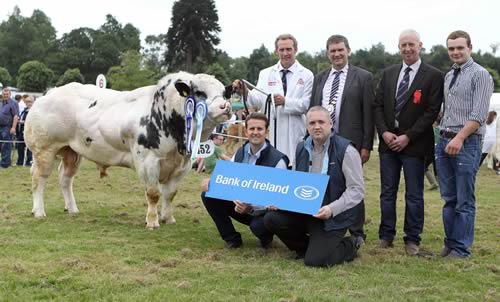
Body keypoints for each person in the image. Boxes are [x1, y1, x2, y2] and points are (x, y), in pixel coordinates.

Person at [264, 106, 364, 267]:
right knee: (270, 219)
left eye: (321, 122)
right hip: (307, 210)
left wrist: (332, 209)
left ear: (330, 124)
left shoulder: (347, 150)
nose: (316, 126)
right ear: (307, 126)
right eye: (312, 123)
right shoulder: (301, 147)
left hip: (333, 215)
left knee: (315, 261)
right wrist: (280, 201)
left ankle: (351, 244)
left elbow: (356, 190)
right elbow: (295, 183)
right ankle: (306, 248)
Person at [373, 29, 444, 255]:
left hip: (414, 145)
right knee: (387, 192)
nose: (407, 49)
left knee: (414, 195)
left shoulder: (433, 75)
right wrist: (384, 132)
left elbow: (432, 111)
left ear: (420, 45)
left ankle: (412, 239)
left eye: (411, 44)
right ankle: (386, 235)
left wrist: (408, 136)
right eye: (403, 45)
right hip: (388, 144)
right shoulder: (389, 73)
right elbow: (378, 106)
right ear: (398, 47)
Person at [309, 34, 375, 244]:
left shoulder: (363, 77)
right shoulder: (320, 78)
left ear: (348, 51)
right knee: (324, 182)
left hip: (350, 141)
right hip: (323, 141)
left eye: (340, 50)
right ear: (327, 53)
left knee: (352, 185)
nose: (337, 54)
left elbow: (368, 113)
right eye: (333, 51)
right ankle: (325, 222)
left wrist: (366, 145)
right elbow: (313, 109)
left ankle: (357, 232)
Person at [436, 30, 494, 258]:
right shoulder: (449, 75)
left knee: (464, 200)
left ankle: (461, 248)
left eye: (460, 47)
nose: (455, 52)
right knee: (448, 198)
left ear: (470, 47)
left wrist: (459, 138)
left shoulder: (481, 75)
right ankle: (449, 244)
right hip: (443, 141)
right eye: (451, 48)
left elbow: (479, 114)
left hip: (467, 142)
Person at [200, 113, 289, 248]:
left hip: (263, 212)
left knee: (257, 226)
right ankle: (232, 238)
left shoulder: (278, 160)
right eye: (252, 129)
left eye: (259, 129)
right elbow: (229, 178)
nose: (255, 132)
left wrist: (251, 207)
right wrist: (211, 182)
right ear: (246, 131)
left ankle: (266, 237)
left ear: (267, 132)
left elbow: (279, 198)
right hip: (240, 206)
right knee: (208, 195)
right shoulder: (240, 152)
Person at [233, 33, 313, 166]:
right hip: (272, 131)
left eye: (289, 49)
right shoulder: (265, 74)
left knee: (295, 167)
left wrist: (285, 101)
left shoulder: (307, 75)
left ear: (296, 50)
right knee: (272, 167)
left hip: (295, 132)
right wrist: (244, 91)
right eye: (281, 50)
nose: (285, 53)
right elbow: (257, 100)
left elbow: (306, 104)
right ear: (276, 51)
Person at [0, 88, 19, 168]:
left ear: (10, 94)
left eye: (7, 94)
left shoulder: (13, 103)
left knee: (6, 145)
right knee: (1, 145)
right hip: (0, 126)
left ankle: (5, 164)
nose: (5, 95)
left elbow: (16, 116)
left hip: (7, 127)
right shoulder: (1, 102)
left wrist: (13, 128)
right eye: (4, 94)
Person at [16, 95, 34, 166]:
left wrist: (23, 121)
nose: (28, 103)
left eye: (29, 102)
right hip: (21, 132)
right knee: (20, 147)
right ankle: (20, 162)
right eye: (26, 102)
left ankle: (29, 162)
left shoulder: (34, 111)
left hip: (29, 132)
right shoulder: (24, 110)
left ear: (33, 102)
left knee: (29, 148)